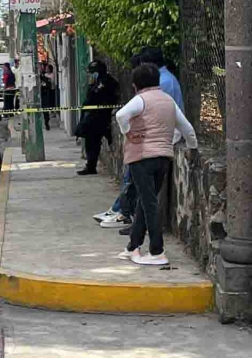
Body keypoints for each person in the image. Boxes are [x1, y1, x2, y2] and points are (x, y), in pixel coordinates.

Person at [116, 64, 198, 265]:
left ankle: (157, 251)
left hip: (142, 158)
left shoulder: (140, 100)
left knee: (149, 204)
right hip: (164, 157)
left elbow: (120, 115)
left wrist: (127, 132)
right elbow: (187, 128)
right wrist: (192, 148)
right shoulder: (168, 101)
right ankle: (132, 246)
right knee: (147, 202)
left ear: (135, 85)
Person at [97, 47, 185, 230]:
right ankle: (127, 215)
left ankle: (129, 217)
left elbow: (125, 115)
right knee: (141, 186)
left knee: (141, 186)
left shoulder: (160, 82)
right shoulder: (164, 79)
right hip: (159, 141)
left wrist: (128, 133)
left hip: (153, 142)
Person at [74, 60, 119, 175]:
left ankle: (91, 166)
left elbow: (96, 97)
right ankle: (91, 165)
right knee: (91, 142)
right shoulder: (96, 82)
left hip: (100, 117)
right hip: (93, 116)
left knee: (93, 141)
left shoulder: (107, 82)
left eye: (92, 73)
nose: (90, 76)